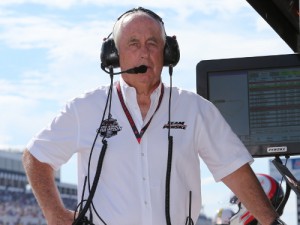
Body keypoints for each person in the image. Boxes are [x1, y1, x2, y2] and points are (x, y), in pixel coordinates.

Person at [22, 6, 285, 225]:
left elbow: (235, 170)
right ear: (115, 55)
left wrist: (271, 222)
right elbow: (35, 157)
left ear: (167, 52)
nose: (144, 52)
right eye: (133, 44)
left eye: (152, 43)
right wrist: (54, 213)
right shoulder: (84, 108)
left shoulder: (195, 109)